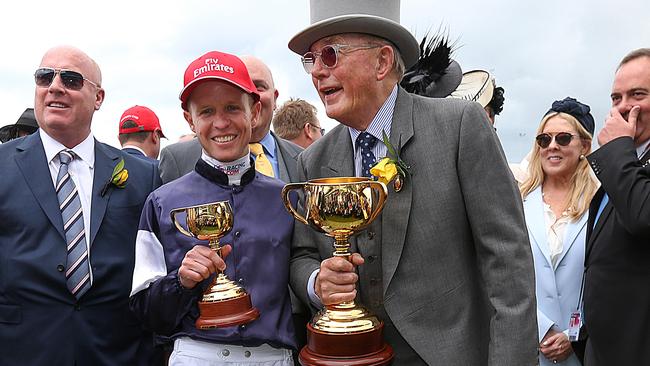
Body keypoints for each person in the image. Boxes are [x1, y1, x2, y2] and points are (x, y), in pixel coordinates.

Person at [287, 0, 538, 364]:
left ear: (382, 61)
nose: (317, 73)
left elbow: (508, 264)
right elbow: (302, 255)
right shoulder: (314, 159)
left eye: (330, 55)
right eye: (311, 59)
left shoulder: (460, 126)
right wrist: (317, 282)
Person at [129, 50, 295, 366]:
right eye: (206, 111)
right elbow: (145, 312)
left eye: (232, 107)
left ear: (255, 111)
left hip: (273, 356)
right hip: (196, 354)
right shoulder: (162, 203)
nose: (221, 123)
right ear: (190, 119)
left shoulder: (285, 197)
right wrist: (182, 282)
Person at [0, 46, 160, 365]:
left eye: (71, 79)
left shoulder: (145, 176)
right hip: (21, 351)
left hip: (118, 352)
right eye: (45, 77)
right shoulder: (2, 166)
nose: (55, 86)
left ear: (98, 97)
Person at [583, 48, 650, 365]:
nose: (624, 107)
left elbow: (643, 217)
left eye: (638, 94)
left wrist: (618, 149)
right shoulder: (626, 162)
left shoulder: (621, 159)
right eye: (616, 98)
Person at [520, 97, 599, 365]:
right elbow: (505, 272)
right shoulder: (518, 203)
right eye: (544, 139)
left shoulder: (601, 204)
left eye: (563, 138)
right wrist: (541, 327)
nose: (552, 146)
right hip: (527, 346)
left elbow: (608, 278)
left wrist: (575, 334)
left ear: (584, 146)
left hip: (584, 351)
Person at [158, 56, 302, 184]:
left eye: (258, 87)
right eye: (207, 111)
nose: (252, 95)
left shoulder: (305, 159)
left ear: (274, 98)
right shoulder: (177, 159)